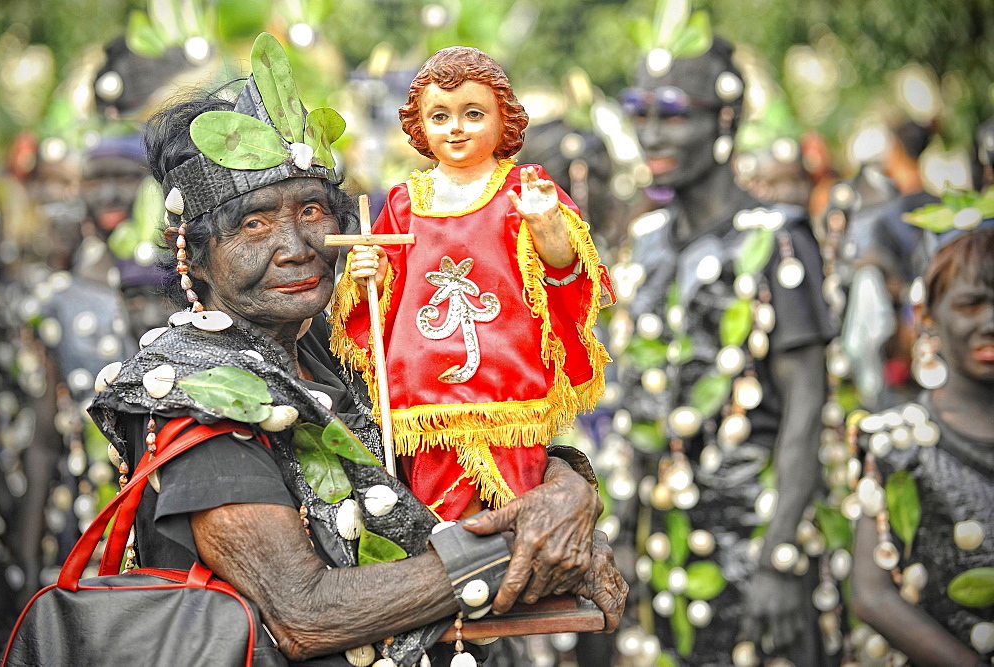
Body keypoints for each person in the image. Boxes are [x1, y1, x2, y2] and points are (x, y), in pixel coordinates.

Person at [87, 34, 625, 667]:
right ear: (196, 254)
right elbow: (306, 614)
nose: (294, 245)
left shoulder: (342, 343)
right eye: (254, 223)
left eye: (312, 210)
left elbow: (457, 443)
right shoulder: (196, 393)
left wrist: (565, 490)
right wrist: (517, 542)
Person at [606, 37, 837, 665]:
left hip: (756, 541)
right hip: (667, 552)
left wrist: (780, 560)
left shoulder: (777, 239)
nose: (651, 135)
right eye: (641, 112)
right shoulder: (647, 244)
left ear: (725, 121)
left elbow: (806, 409)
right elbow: (636, 406)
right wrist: (623, 535)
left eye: (675, 114)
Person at [330, 46, 612, 521]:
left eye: (473, 113)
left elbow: (568, 275)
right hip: (425, 402)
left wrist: (547, 229)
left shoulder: (524, 188)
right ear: (420, 125)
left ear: (504, 119)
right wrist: (371, 276)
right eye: (440, 116)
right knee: (433, 523)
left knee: (521, 520)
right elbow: (380, 298)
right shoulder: (404, 200)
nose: (455, 128)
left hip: (509, 392)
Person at [850, 227, 994, 665]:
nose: (990, 321)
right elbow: (871, 595)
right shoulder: (897, 441)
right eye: (971, 304)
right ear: (927, 316)